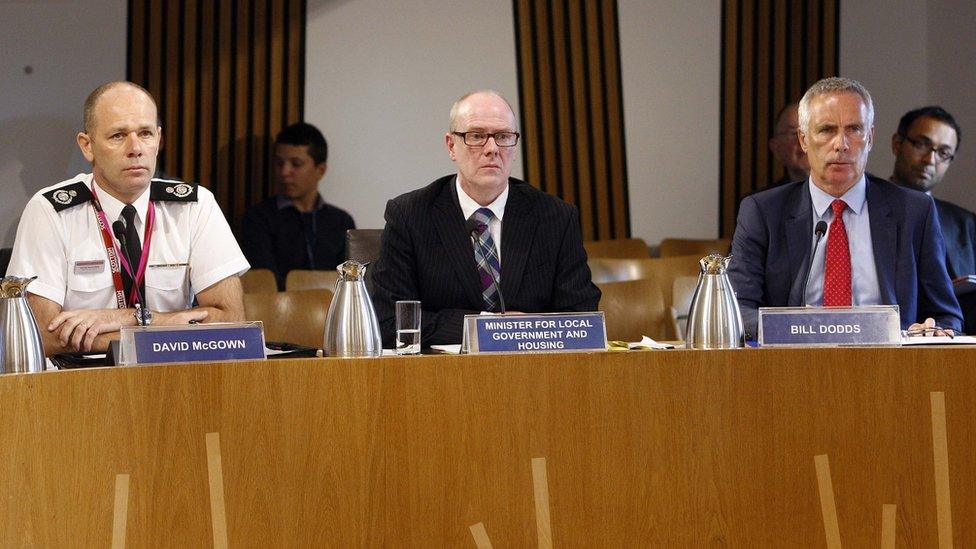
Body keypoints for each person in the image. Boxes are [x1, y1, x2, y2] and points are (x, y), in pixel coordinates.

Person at [7, 81, 248, 355]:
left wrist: (129, 319)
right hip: (82, 383)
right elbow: (41, 335)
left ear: (159, 139)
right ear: (87, 146)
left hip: (174, 378)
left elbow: (231, 322)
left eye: (145, 133)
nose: (135, 148)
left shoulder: (195, 206)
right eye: (118, 136)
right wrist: (168, 325)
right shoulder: (51, 210)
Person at [728, 77, 962, 338]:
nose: (841, 144)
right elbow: (736, 309)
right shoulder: (763, 212)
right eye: (827, 130)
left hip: (891, 368)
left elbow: (946, 314)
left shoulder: (914, 211)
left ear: (870, 137)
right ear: (804, 140)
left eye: (854, 129)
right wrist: (806, 331)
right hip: (795, 365)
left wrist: (935, 330)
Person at [370, 90, 601, 346]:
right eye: (477, 136)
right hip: (440, 377)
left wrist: (526, 332)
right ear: (451, 146)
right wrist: (489, 329)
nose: (492, 149)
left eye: (503, 137)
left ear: (515, 146)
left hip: (533, 375)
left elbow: (583, 320)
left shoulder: (555, 217)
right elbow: (390, 321)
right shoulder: (410, 215)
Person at [889, 106, 976, 332]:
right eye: (921, 144)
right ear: (897, 144)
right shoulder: (865, 209)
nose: (930, 159)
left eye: (943, 153)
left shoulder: (966, 224)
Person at [242, 123, 355, 290]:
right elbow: (264, 282)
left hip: (333, 312)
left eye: (296, 164)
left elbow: (350, 282)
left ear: (320, 170)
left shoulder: (341, 221)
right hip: (276, 312)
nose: (284, 172)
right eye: (279, 163)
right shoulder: (258, 217)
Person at [767, 102, 810, 187]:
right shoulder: (762, 200)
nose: (803, 140)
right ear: (776, 148)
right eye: (794, 133)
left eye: (810, 131)